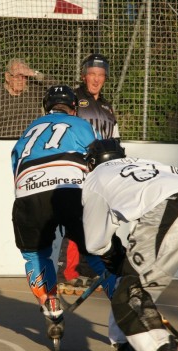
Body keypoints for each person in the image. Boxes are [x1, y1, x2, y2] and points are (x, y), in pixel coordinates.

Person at [82, 138, 178, 351]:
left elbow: (95, 243)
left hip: (170, 211)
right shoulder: (143, 163)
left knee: (127, 295)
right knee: (135, 289)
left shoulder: (96, 178)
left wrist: (113, 257)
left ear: (91, 163)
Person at [11, 85, 117, 350]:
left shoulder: (29, 129)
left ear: (46, 108)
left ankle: (51, 306)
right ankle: (125, 301)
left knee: (35, 255)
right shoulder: (79, 124)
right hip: (69, 189)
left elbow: (16, 165)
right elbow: (99, 159)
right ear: (73, 108)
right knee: (97, 251)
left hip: (28, 192)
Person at [57, 53, 120, 294]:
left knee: (97, 221)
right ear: (84, 76)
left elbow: (115, 139)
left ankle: (88, 269)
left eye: (100, 75)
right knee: (77, 218)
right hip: (79, 168)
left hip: (103, 172)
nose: (96, 79)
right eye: (92, 74)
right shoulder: (74, 100)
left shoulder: (107, 107)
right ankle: (67, 272)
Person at [0, 58, 57, 137]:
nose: (20, 80)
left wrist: (34, 73)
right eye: (17, 76)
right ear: (7, 77)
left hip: (34, 141)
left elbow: (57, 88)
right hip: (9, 141)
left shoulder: (32, 90)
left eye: (24, 76)